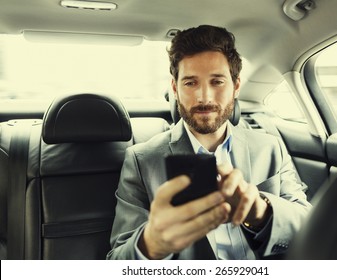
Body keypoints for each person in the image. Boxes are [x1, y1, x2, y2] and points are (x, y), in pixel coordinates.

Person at [107, 25, 311, 260]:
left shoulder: (270, 147)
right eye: (190, 83)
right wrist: (152, 244)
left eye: (217, 82)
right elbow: (117, 261)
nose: (204, 97)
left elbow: (310, 225)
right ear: (175, 88)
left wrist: (262, 211)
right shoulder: (142, 160)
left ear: (236, 86)